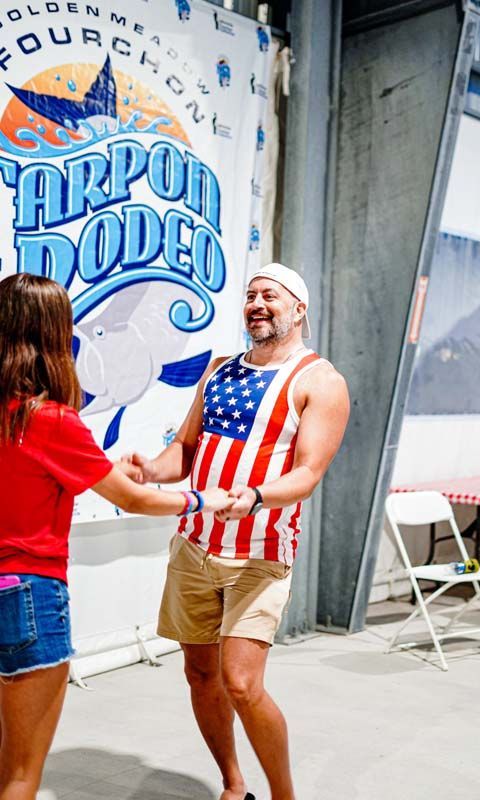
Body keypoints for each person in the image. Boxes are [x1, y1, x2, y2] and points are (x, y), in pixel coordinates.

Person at [122, 263, 350, 800]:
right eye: (251, 295)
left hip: (260, 556)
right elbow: (185, 447)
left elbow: (308, 473)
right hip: (194, 547)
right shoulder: (220, 369)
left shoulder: (321, 380)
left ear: (299, 309)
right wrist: (152, 470)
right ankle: (232, 784)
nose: (258, 303)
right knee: (200, 676)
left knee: (242, 684)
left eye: (271, 295)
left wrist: (253, 497)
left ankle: (284, 795)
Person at [0, 273, 232, 800]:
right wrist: (203, 499)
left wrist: (104, 465)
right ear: (54, 334)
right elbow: (138, 501)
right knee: (20, 775)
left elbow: (30, 472)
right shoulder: (51, 419)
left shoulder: (16, 418)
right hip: (29, 595)